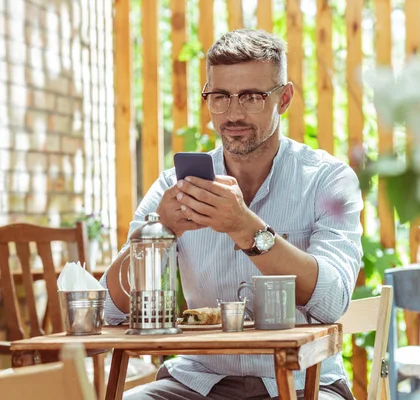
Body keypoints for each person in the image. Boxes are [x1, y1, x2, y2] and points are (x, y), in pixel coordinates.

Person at [100, 29, 363, 400]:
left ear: (284, 98)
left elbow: (332, 300)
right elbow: (112, 309)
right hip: (196, 382)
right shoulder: (172, 188)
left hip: (304, 382)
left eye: (252, 97)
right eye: (220, 97)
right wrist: (158, 233)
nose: (233, 114)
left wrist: (248, 230)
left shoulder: (328, 180)